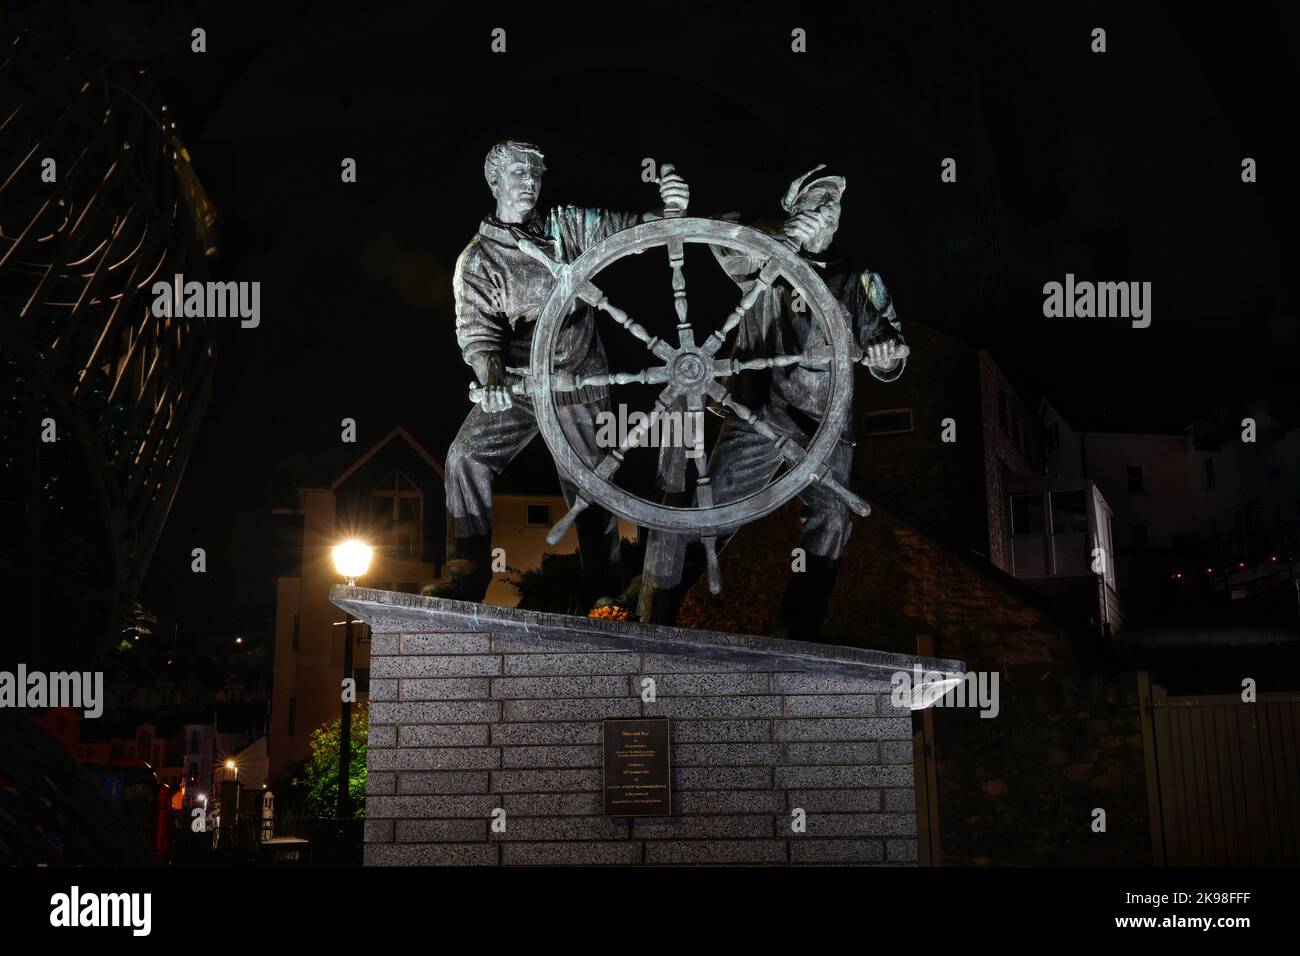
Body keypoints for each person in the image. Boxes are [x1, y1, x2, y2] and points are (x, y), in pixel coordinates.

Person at [639, 165, 905, 640]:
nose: (826, 211)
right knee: (715, 508)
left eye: (833, 203)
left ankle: (800, 629)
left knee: (832, 518)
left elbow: (887, 344)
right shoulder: (766, 257)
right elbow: (726, 236)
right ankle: (656, 607)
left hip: (827, 424)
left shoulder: (861, 280)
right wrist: (780, 238)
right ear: (794, 209)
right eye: (815, 201)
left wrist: (887, 355)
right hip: (762, 412)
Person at [424, 141, 689, 606]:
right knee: (464, 457)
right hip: (518, 386)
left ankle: (603, 592)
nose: (528, 182)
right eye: (517, 173)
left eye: (534, 174)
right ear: (493, 181)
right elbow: (478, 334)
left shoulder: (568, 225)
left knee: (590, 484)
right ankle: (466, 576)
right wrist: (491, 379)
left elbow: (630, 233)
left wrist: (668, 211)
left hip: (579, 380)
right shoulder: (478, 260)